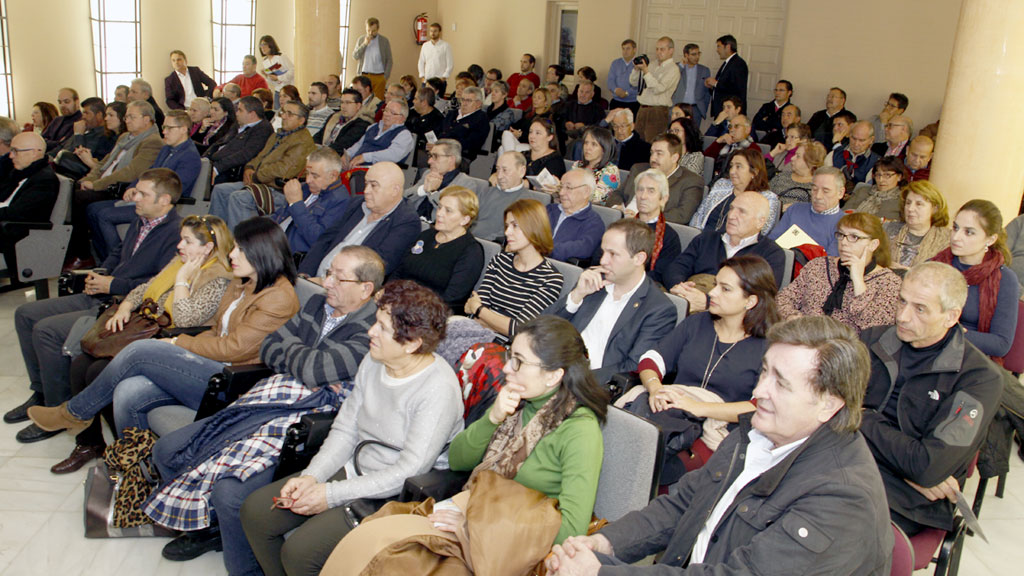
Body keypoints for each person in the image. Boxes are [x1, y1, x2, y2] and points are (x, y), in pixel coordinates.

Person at [545, 315, 892, 576]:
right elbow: (682, 505)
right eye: (763, 372)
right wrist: (606, 542)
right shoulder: (754, 435)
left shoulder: (843, 499)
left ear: (828, 405)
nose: (757, 393)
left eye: (781, 384)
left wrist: (601, 572)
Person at [149, 245, 385, 573]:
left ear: (365, 288)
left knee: (230, 492)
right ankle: (208, 526)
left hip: (308, 421)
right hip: (266, 400)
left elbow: (314, 370)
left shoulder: (373, 327)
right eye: (328, 272)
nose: (326, 281)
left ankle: (246, 568)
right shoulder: (318, 303)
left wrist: (297, 358)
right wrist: (301, 360)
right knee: (167, 449)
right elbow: (270, 346)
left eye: (337, 277)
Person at [322, 315, 609, 575]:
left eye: (519, 361)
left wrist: (475, 529)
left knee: (392, 563)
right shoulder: (517, 402)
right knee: (369, 541)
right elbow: (458, 460)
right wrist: (493, 418)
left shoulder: (579, 430)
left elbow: (571, 531)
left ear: (554, 375)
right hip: (473, 512)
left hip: (509, 546)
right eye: (511, 355)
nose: (507, 367)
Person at [239, 280, 463, 576]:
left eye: (382, 328)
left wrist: (328, 495)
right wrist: (312, 477)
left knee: (300, 553)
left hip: (394, 493)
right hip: (358, 465)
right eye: (376, 322)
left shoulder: (437, 390)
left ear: (411, 344)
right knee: (255, 513)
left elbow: (407, 472)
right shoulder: (374, 360)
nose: (371, 332)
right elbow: (346, 430)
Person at [27, 216, 299, 437]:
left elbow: (235, 348)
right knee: (127, 391)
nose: (232, 254)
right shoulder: (243, 282)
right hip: (212, 362)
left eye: (240, 249)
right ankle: (134, 469)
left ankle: (73, 414)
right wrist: (182, 345)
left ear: (261, 252)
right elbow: (217, 330)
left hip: (233, 380)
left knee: (141, 351)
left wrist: (177, 343)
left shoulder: (278, 296)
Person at [6, 168, 183, 442]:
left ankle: (56, 410)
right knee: (25, 314)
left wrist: (113, 285)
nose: (134, 197)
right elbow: (118, 253)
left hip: (123, 304)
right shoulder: (143, 219)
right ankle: (40, 391)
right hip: (105, 293)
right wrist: (101, 273)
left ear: (165, 201)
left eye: (143, 194)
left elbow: (158, 284)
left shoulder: (176, 235)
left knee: (46, 330)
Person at [48, 215, 234, 474]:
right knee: (81, 363)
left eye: (187, 241)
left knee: (95, 371)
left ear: (208, 248)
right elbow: (144, 289)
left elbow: (185, 319)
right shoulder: (179, 261)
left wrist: (182, 279)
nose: (179, 245)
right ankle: (89, 444)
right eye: (181, 238)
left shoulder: (218, 276)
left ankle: (121, 449)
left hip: (173, 344)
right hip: (147, 331)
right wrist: (124, 307)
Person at [859, 262, 1003, 536]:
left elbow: (926, 467)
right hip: (850, 463)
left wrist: (859, 416)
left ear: (951, 317)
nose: (902, 316)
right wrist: (907, 471)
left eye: (920, 309)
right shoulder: (872, 340)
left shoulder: (979, 378)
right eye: (902, 301)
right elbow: (822, 410)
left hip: (907, 501)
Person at [626, 255, 780, 484]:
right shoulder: (697, 323)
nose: (713, 293)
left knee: (658, 468)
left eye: (725, 289)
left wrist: (698, 407)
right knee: (628, 443)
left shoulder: (768, 347)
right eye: (716, 284)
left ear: (750, 301)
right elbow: (652, 361)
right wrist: (655, 387)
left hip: (720, 429)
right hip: (673, 412)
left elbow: (756, 407)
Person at [559, 219, 677, 383]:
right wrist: (576, 296)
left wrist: (574, 381)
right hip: (555, 367)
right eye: (603, 252)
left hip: (592, 385)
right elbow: (542, 327)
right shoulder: (592, 281)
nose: (603, 261)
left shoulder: (659, 309)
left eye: (613, 254)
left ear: (638, 258)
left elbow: (633, 367)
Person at [85, 110, 203, 260]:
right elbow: (149, 173)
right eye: (163, 127)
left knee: (103, 216)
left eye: (169, 128)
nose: (164, 132)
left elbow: (175, 189)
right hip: (145, 196)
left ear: (184, 129)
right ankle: (103, 260)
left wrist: (142, 194)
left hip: (158, 205)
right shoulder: (167, 149)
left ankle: (119, 260)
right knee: (92, 209)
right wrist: (133, 187)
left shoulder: (189, 156)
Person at [777, 212, 902, 332]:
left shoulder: (889, 283)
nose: (844, 242)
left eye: (854, 237)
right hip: (803, 337)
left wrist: (858, 281)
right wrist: (790, 316)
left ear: (873, 244)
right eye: (841, 235)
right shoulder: (819, 265)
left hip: (846, 350)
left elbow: (875, 329)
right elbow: (784, 297)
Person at [465, 198, 564, 342]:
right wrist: (497, 320)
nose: (507, 232)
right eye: (507, 226)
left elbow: (519, 329)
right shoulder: (500, 260)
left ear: (534, 228)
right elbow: (473, 308)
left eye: (515, 226)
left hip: (508, 347)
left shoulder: (550, 279)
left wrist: (480, 310)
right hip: (477, 332)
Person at [667, 191, 785, 311]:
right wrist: (681, 288)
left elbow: (762, 296)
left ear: (760, 222)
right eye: (731, 208)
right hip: (690, 298)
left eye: (742, 212)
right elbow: (676, 267)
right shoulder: (706, 238)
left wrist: (708, 301)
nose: (732, 215)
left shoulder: (772, 254)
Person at [208, 101, 317, 230]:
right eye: (283, 112)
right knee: (220, 190)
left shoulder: (302, 142)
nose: (283, 116)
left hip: (279, 190)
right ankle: (215, 235)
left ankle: (242, 244)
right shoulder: (277, 135)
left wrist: (255, 176)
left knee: (239, 198)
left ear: (301, 120)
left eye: (290, 114)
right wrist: (249, 168)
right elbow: (260, 156)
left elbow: (282, 170)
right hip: (261, 183)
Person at [932, 199, 1020, 358]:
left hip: (970, 358)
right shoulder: (935, 266)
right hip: (926, 349)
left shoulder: (1004, 279)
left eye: (969, 232)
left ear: (990, 239)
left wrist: (950, 332)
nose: (956, 237)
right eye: (955, 228)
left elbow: (1001, 344)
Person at [302, 162, 420, 277]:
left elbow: (378, 267)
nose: (366, 191)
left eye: (373, 185)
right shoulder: (357, 203)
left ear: (394, 190)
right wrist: (304, 274)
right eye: (366, 184)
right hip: (315, 279)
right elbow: (325, 240)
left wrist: (330, 282)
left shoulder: (406, 221)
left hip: (347, 288)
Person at [393, 186, 484, 311]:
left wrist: (410, 304)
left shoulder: (471, 251)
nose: (439, 213)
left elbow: (452, 297)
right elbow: (399, 270)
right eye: (440, 207)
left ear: (465, 219)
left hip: (432, 312)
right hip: (401, 301)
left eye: (448, 210)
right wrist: (387, 291)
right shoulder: (426, 236)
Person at [268, 147, 350, 256]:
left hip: (289, 256)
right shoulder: (305, 188)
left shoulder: (340, 201)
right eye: (307, 173)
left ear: (333, 175)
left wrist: (296, 204)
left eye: (315, 176)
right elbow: (279, 216)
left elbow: (317, 239)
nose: (308, 180)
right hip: (271, 243)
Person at [608, 133, 703, 225]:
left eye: (659, 154)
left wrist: (642, 217)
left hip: (653, 229)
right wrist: (617, 208)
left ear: (674, 158)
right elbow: (618, 193)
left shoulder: (691, 181)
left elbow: (682, 215)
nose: (653, 158)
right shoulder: (638, 169)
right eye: (652, 153)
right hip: (621, 221)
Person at [0, 132, 61, 275]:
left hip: (18, 233)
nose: (11, 156)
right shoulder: (21, 172)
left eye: (15, 151)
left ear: (34, 153)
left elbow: (18, 214)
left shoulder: (44, 180)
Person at [690, 148, 779, 236]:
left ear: (754, 172)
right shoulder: (722, 184)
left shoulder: (767, 199)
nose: (732, 171)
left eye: (738, 166)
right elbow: (700, 214)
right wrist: (696, 236)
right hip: (703, 239)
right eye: (731, 166)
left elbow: (761, 232)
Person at [768, 166, 847, 256]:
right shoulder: (795, 210)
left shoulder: (845, 224)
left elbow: (830, 264)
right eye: (814, 189)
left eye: (826, 191)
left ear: (840, 193)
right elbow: (771, 242)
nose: (818, 196)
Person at [406, 138, 489, 222]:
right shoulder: (428, 174)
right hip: (412, 221)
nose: (429, 161)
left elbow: (452, 212)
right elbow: (403, 198)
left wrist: (432, 192)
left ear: (451, 159)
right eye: (430, 156)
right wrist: (423, 189)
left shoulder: (466, 184)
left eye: (435, 156)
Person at [627, 169, 682, 286]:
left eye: (651, 191)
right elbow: (600, 257)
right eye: (640, 190)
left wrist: (626, 278)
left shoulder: (669, 237)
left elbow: (660, 274)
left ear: (663, 199)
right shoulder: (622, 227)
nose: (643, 196)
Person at [207, 96, 275, 184]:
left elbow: (245, 154)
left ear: (252, 114)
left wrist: (217, 169)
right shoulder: (238, 123)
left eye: (240, 110)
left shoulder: (263, 129)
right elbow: (220, 143)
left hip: (229, 170)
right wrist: (205, 158)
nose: (237, 113)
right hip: (214, 161)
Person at [884, 180, 951, 270]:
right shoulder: (888, 229)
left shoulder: (946, 240)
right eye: (908, 203)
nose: (910, 209)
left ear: (935, 209)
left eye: (919, 204)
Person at [547, 168, 607, 263]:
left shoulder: (594, 223)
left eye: (568, 188)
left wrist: (544, 248)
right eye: (561, 187)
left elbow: (583, 248)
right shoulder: (550, 209)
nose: (561, 193)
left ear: (586, 192)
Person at [630, 36, 681, 142]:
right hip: (642, 108)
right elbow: (634, 83)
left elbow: (659, 89)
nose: (658, 52)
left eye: (662, 49)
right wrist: (636, 70)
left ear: (671, 51)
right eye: (657, 49)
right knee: (637, 142)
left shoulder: (673, 69)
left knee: (652, 143)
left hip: (657, 111)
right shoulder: (652, 65)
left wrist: (646, 72)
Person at [475, 151, 533, 241]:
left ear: (521, 171)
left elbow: (504, 236)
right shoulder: (485, 191)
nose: (499, 176)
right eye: (497, 169)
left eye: (505, 170)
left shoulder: (526, 202)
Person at [341, 99, 414, 168]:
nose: (386, 114)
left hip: (378, 172)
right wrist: (348, 154)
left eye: (392, 113)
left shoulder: (404, 135)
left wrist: (366, 157)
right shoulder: (373, 127)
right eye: (385, 110)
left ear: (402, 118)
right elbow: (359, 144)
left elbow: (393, 155)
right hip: (355, 166)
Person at [843, 155, 909, 221]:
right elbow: (843, 213)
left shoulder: (903, 200)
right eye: (878, 175)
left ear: (899, 177)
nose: (881, 180)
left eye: (887, 175)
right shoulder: (862, 191)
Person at [565, 125, 619, 204]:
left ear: (604, 149)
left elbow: (596, 199)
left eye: (594, 144)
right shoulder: (577, 165)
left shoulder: (611, 170)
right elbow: (566, 186)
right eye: (586, 143)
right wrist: (557, 188)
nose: (587, 148)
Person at [769, 140, 825, 209]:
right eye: (794, 155)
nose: (792, 158)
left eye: (798, 156)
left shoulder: (817, 186)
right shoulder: (781, 176)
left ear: (810, 162)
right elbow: (766, 197)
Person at [826, 120, 881, 186]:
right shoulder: (834, 155)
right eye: (854, 138)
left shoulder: (876, 162)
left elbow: (868, 189)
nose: (856, 144)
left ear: (871, 140)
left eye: (862, 140)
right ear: (849, 135)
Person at [706, 34, 749, 117]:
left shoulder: (738, 64)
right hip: (722, 111)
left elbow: (737, 88)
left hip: (731, 113)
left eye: (719, 46)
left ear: (728, 46)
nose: (717, 50)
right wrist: (712, 87)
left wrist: (716, 83)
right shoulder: (728, 63)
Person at [703, 111, 754, 178]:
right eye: (730, 127)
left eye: (736, 126)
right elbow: (704, 161)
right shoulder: (723, 144)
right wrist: (718, 141)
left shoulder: (753, 148)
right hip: (716, 178)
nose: (732, 130)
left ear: (747, 130)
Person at [673, 43, 712, 129]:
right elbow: (670, 80)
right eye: (693, 54)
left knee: (692, 135)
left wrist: (703, 109)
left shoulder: (704, 70)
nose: (697, 57)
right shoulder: (676, 67)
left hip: (695, 109)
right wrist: (681, 66)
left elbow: (707, 93)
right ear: (686, 55)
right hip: (678, 107)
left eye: (698, 54)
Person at [352, 17, 393, 100]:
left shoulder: (384, 41)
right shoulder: (361, 40)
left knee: (377, 101)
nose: (370, 33)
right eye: (368, 30)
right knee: (362, 99)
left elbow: (389, 60)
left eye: (373, 31)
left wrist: (385, 76)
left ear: (378, 29)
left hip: (379, 76)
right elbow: (355, 56)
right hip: (364, 75)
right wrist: (364, 44)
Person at [40, 88, 82, 153]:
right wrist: (56, 143)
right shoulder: (56, 120)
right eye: (60, 102)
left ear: (76, 102)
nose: (62, 105)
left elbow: (65, 145)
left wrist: (49, 142)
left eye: (66, 102)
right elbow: (40, 141)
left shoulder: (81, 122)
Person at [404, 86, 443, 155]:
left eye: (415, 99)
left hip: (420, 153)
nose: (413, 101)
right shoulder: (412, 113)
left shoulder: (437, 120)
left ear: (424, 102)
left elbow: (430, 143)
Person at [259, 35, 295, 104]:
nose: (262, 47)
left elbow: (293, 71)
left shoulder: (281, 57)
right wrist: (267, 76)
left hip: (288, 90)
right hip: (278, 91)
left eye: (265, 44)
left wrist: (278, 77)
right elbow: (273, 82)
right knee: (277, 112)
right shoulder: (265, 62)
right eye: (261, 45)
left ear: (271, 45)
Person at [607, 39, 639, 113]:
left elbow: (640, 85)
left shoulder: (639, 64)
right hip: (616, 101)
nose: (625, 51)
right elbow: (610, 80)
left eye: (628, 48)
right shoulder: (615, 63)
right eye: (623, 49)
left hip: (633, 103)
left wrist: (627, 93)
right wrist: (616, 90)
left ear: (634, 50)